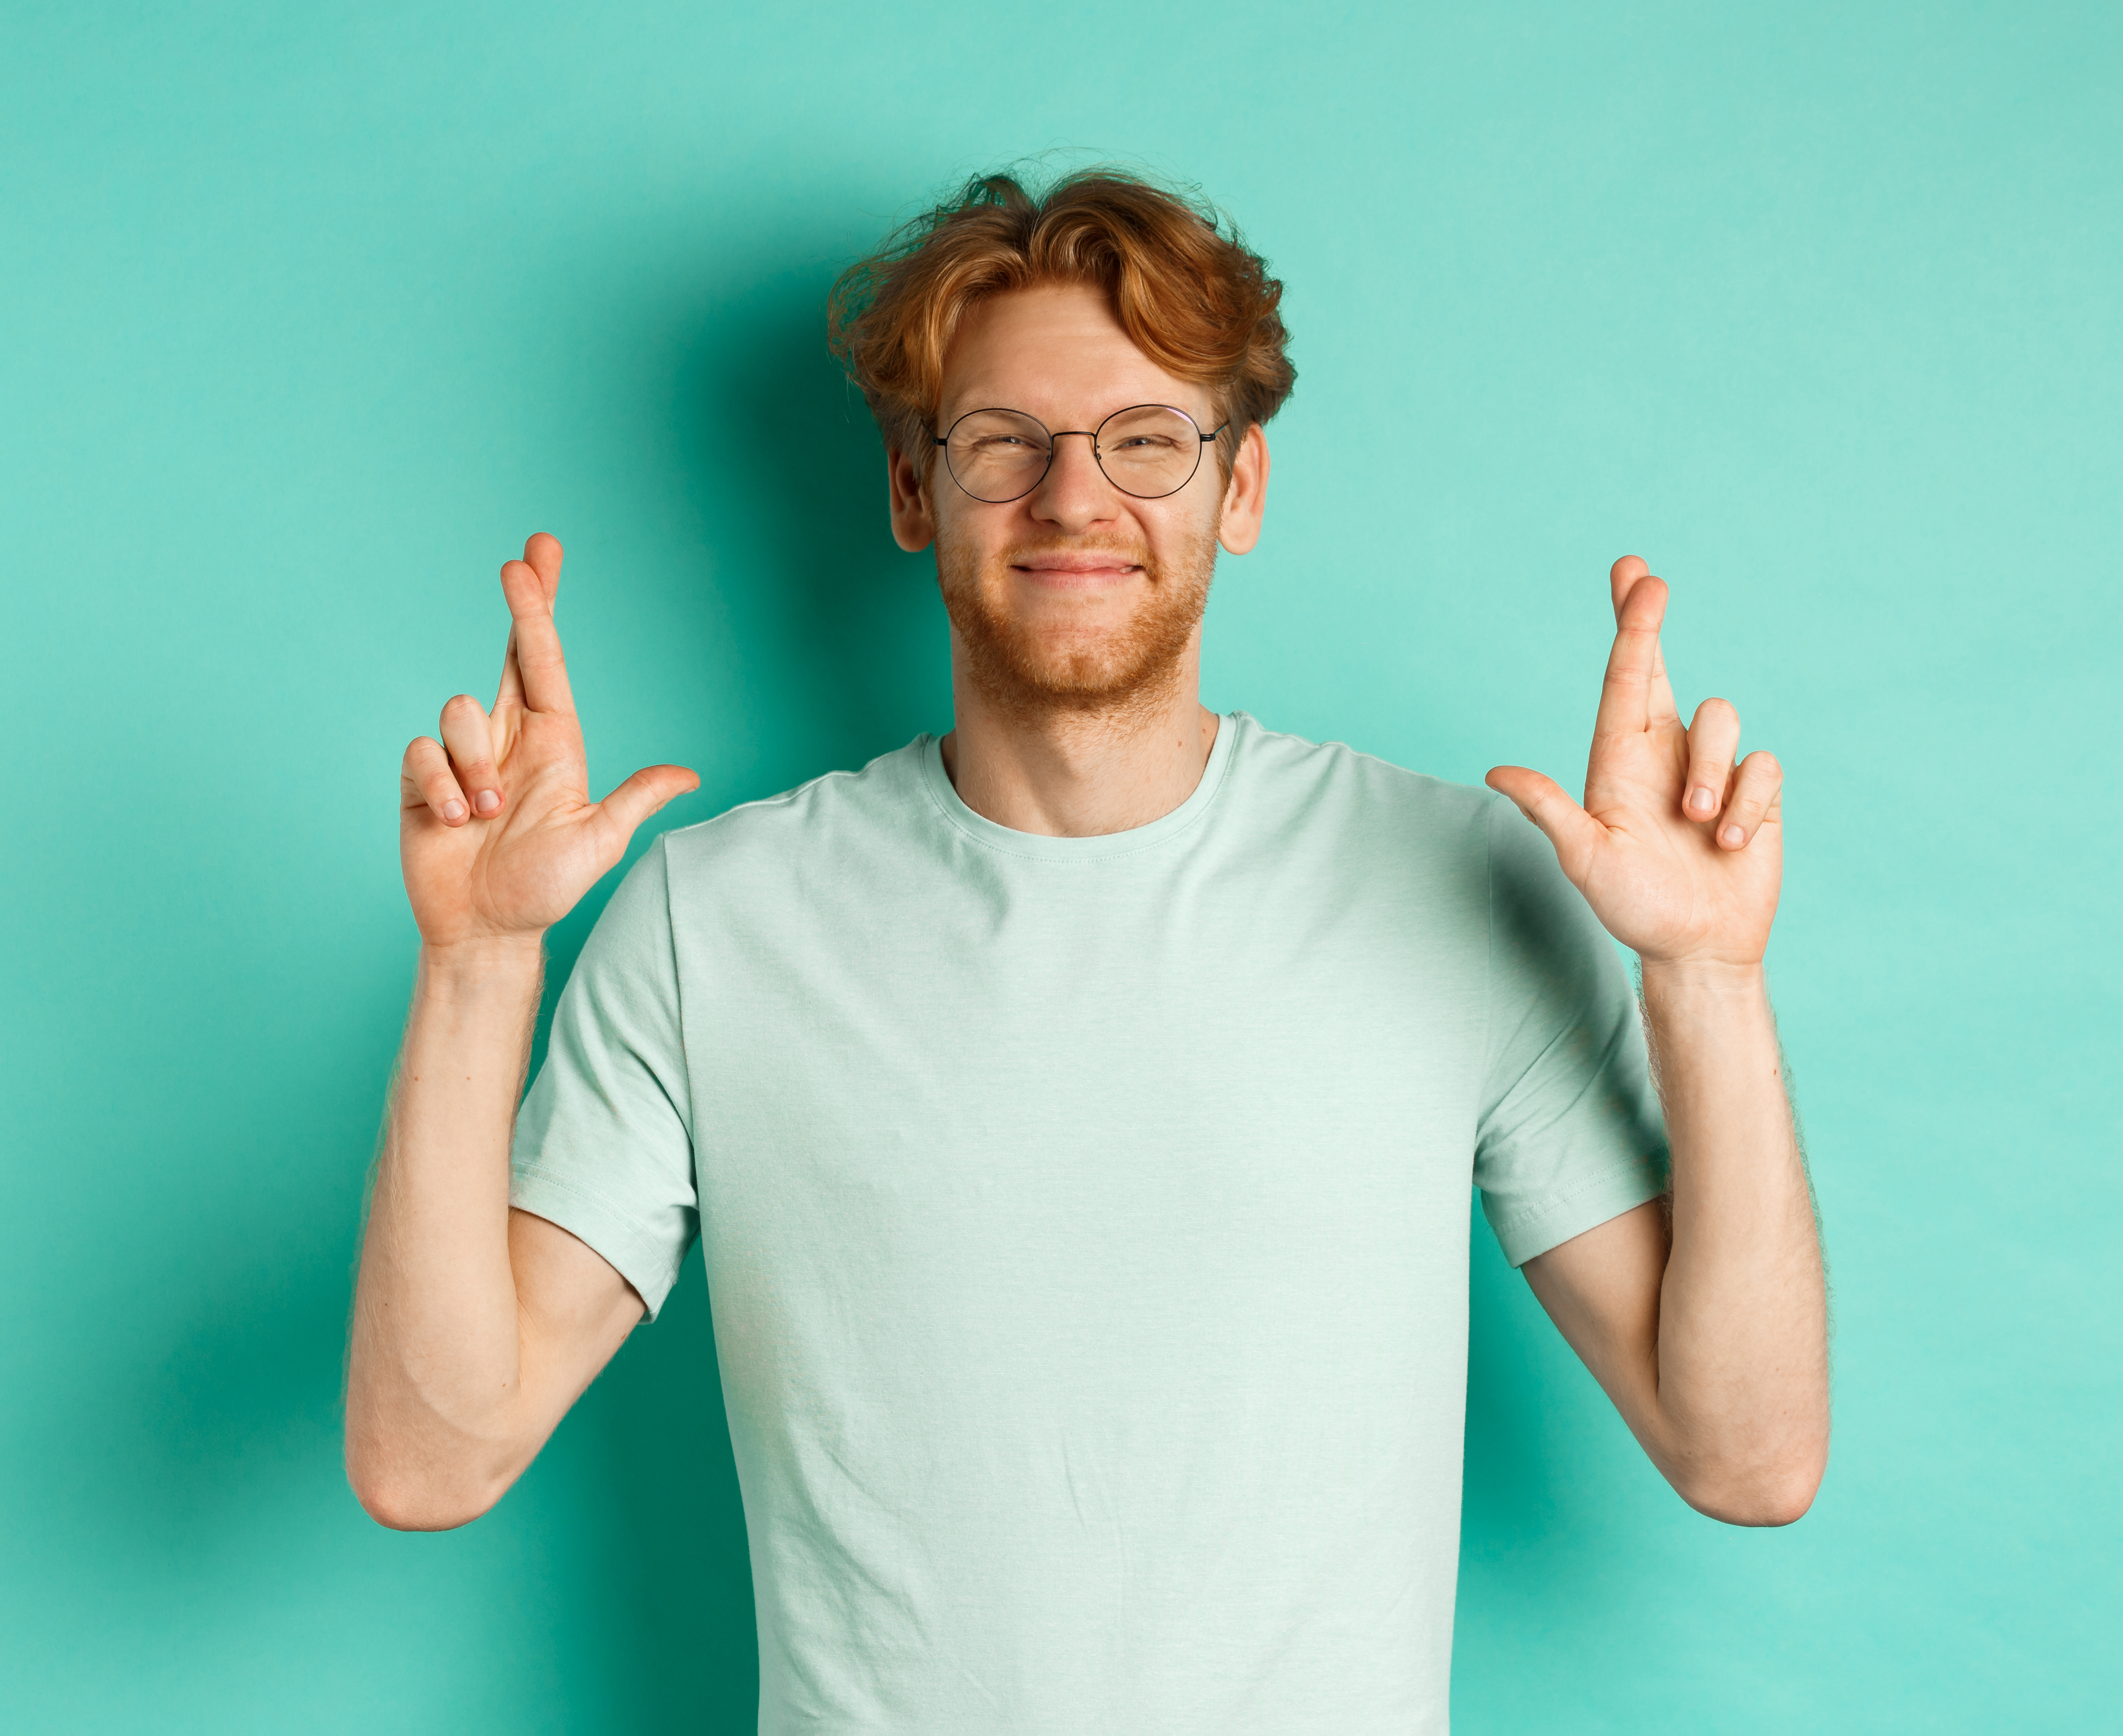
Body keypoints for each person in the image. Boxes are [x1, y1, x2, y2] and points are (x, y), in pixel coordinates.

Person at [345, 168, 1828, 1731]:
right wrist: (476, 961)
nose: (1074, 498)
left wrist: (1709, 980)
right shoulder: (711, 922)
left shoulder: (1449, 884)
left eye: (1146, 440)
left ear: (1237, 489)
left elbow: (1746, 1455)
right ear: (916, 493)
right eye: (1004, 444)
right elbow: (434, 1455)